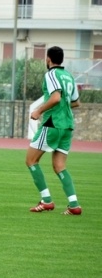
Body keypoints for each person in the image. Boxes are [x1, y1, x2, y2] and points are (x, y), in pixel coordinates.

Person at [27, 46, 82, 215]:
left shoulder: (51, 74)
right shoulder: (69, 76)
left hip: (52, 123)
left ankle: (46, 201)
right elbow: (76, 103)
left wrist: (39, 111)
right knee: (59, 166)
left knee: (31, 161)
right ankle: (74, 205)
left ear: (49, 59)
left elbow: (56, 97)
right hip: (67, 126)